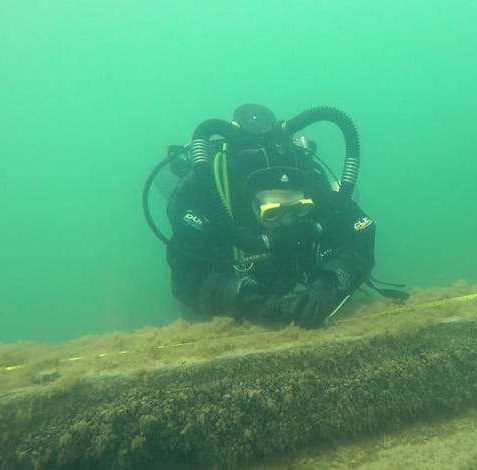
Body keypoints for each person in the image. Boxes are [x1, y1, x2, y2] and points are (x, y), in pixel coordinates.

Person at [155, 104, 375, 328]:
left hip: (297, 279)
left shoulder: (312, 182)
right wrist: (248, 301)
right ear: (249, 205)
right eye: (273, 212)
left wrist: (330, 283)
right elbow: (187, 279)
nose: (288, 221)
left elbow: (360, 233)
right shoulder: (207, 197)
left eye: (298, 209)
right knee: (199, 318)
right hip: (228, 278)